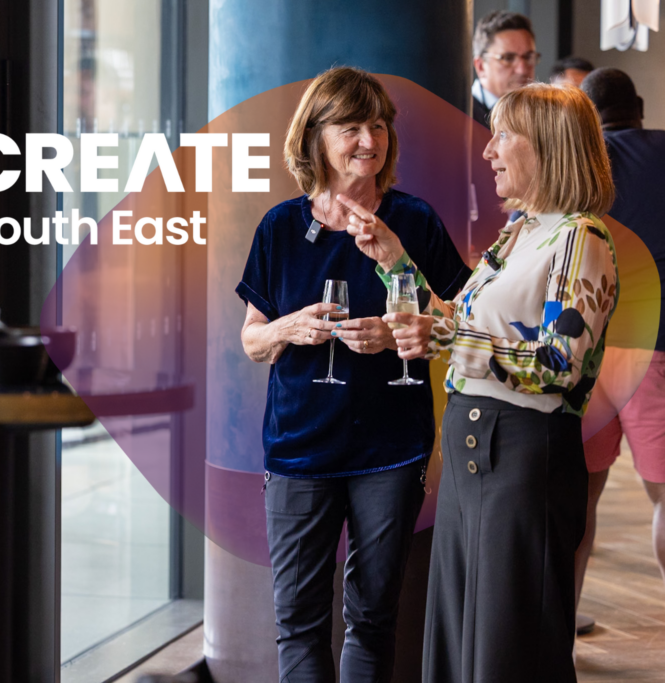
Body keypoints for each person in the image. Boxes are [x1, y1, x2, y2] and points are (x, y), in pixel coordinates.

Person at [342, 83, 617, 682]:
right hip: (475, 456)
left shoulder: (580, 238)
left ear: (547, 145)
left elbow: (558, 365)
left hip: (524, 456)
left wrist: (445, 340)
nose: (488, 151)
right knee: (460, 646)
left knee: (509, 649)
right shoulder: (518, 233)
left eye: (502, 136)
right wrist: (392, 257)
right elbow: (456, 321)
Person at [237, 67, 470, 683]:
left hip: (390, 449)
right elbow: (253, 341)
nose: (370, 140)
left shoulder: (414, 220)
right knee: (299, 624)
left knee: (372, 619)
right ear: (315, 136)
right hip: (299, 450)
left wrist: (400, 325)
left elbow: (462, 318)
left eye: (379, 126)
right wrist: (288, 328)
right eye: (351, 127)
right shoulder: (280, 227)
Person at [575, 67, 665, 615]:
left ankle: (559, 641)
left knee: (579, 499)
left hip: (585, 351)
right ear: (641, 110)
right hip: (654, 343)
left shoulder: (576, 164)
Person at [472, 11, 539, 128]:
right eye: (508, 58)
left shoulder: (542, 115)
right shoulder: (457, 114)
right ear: (480, 66)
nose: (522, 70)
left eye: (528, 57)